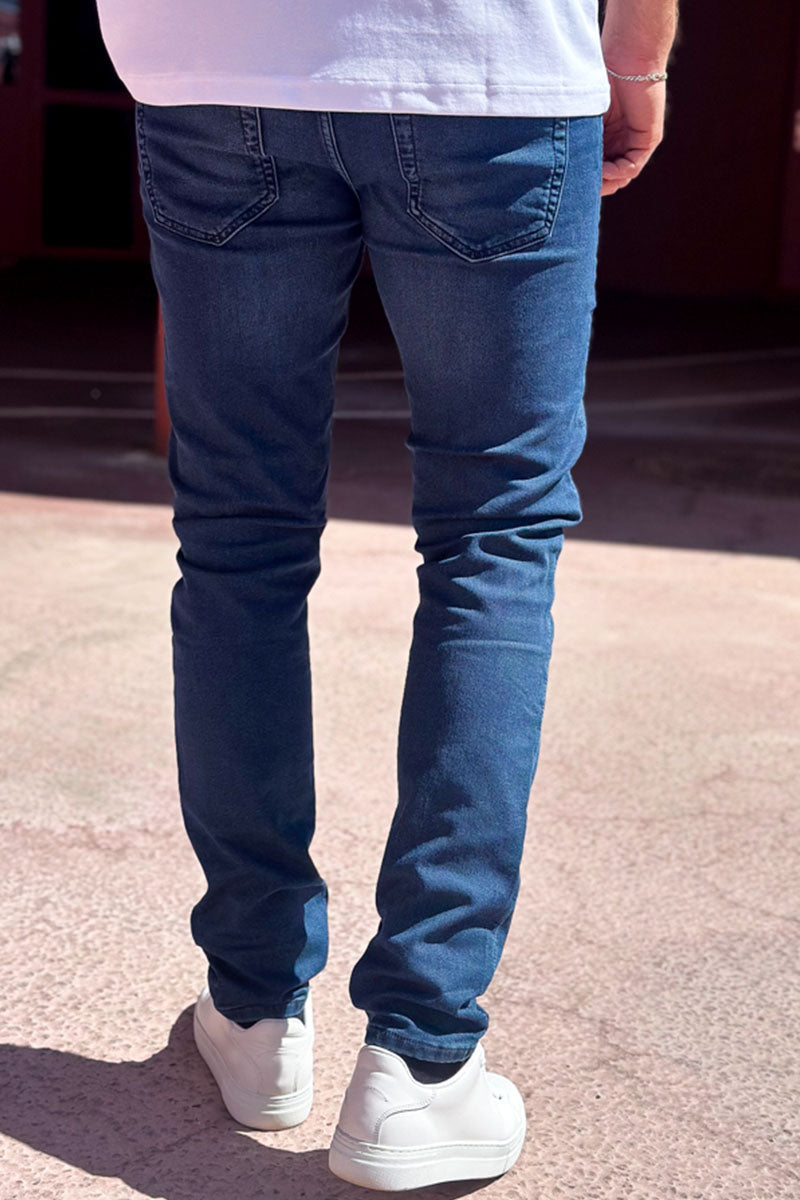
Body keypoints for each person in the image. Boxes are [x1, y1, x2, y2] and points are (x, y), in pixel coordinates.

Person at [96, 0, 677, 1189]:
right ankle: (418, 1060)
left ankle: (254, 1011)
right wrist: (635, 58)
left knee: (238, 537)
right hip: (488, 65)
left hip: (215, 59)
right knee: (491, 537)